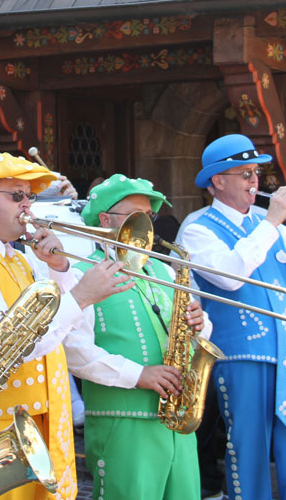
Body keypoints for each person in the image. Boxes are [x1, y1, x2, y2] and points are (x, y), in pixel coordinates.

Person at [0, 152, 133, 500]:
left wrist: (59, 267)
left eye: (30, 196)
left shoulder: (18, 256)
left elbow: (70, 326)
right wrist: (82, 294)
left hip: (38, 420)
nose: (28, 206)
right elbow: (7, 345)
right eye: (17, 196)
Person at [179, 133, 286, 500]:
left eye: (256, 173)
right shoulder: (197, 228)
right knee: (249, 453)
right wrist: (274, 223)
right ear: (218, 181)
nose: (254, 181)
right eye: (244, 173)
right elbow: (230, 276)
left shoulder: (267, 224)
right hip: (241, 355)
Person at [64, 174, 209, 500]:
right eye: (135, 217)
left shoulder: (164, 271)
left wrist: (200, 324)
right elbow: (73, 350)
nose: (146, 226)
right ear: (104, 220)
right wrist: (138, 375)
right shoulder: (82, 274)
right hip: (123, 426)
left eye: (149, 217)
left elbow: (194, 333)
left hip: (177, 421)